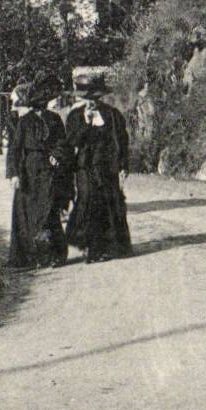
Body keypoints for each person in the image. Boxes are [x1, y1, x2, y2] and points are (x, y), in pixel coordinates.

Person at [64, 67, 132, 264]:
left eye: (94, 96)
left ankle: (110, 247)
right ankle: (91, 248)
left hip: (107, 166)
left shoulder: (112, 115)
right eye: (87, 97)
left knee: (109, 202)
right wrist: (86, 123)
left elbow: (121, 140)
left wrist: (123, 165)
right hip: (85, 167)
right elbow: (72, 141)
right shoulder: (75, 116)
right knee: (88, 201)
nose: (91, 101)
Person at [5, 80, 70, 269]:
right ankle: (29, 257)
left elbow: (61, 142)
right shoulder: (25, 121)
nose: (40, 106)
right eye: (37, 102)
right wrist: (14, 174)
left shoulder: (54, 119)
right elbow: (14, 149)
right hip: (29, 171)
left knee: (48, 212)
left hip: (49, 171)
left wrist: (57, 156)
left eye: (42, 102)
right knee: (26, 213)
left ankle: (55, 255)